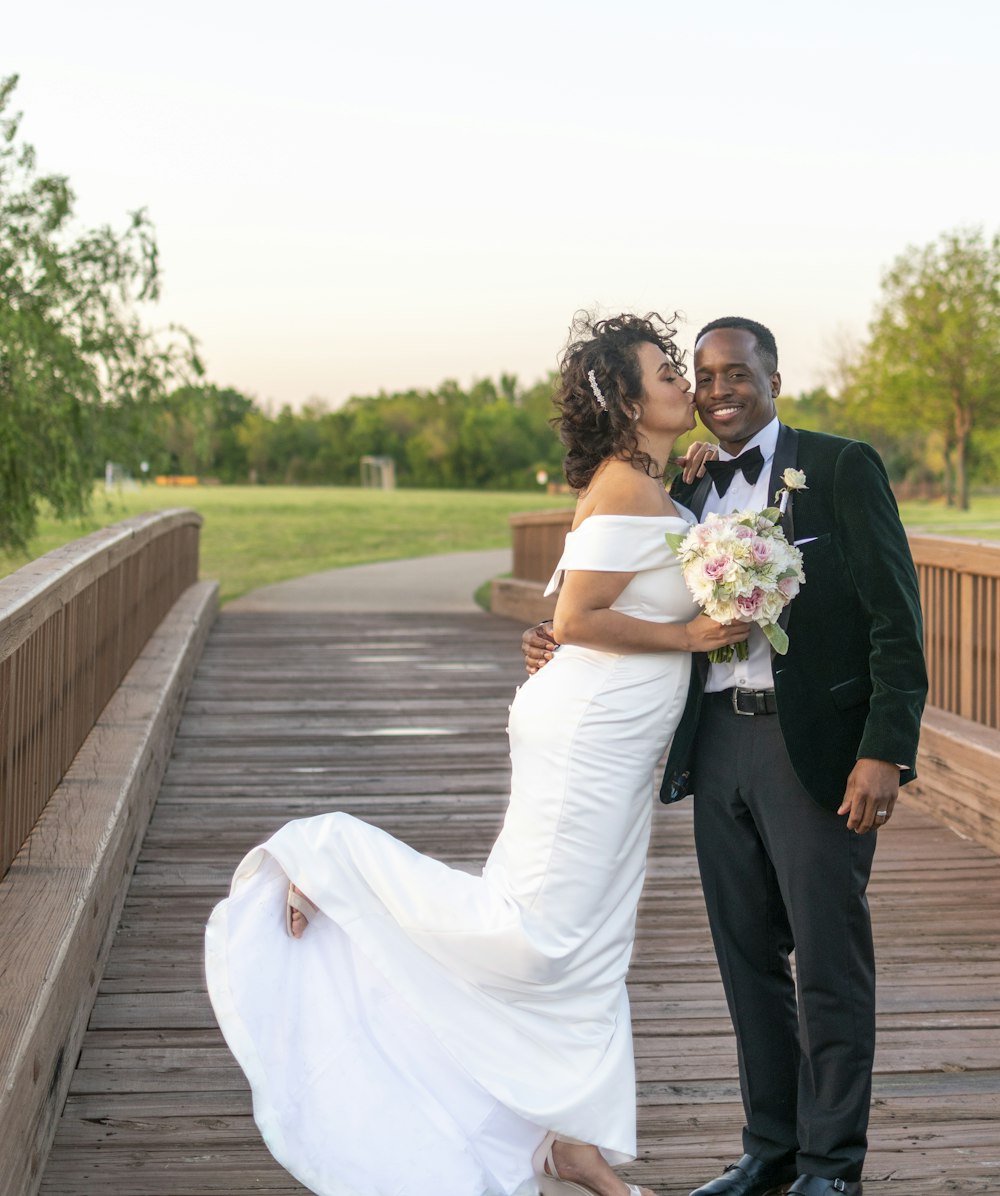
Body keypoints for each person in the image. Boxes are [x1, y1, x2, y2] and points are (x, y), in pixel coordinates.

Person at [204, 312, 748, 1196]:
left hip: (610, 735)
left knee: (596, 939)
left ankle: (572, 1141)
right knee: (535, 936)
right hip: (588, 740)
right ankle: (331, 854)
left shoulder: (649, 484)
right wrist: (692, 632)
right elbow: (574, 618)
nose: (685, 385)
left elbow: (569, 606)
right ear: (625, 398)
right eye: (666, 373)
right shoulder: (623, 487)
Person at [524, 317, 927, 1196]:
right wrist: (562, 644)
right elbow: (614, 594)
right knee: (746, 963)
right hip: (716, 748)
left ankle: (832, 1169)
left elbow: (898, 619)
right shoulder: (688, 492)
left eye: (735, 372)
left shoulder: (839, 467)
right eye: (701, 376)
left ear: (773, 376)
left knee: (828, 960)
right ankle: (769, 1152)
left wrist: (885, 751)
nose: (717, 389)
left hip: (814, 748)